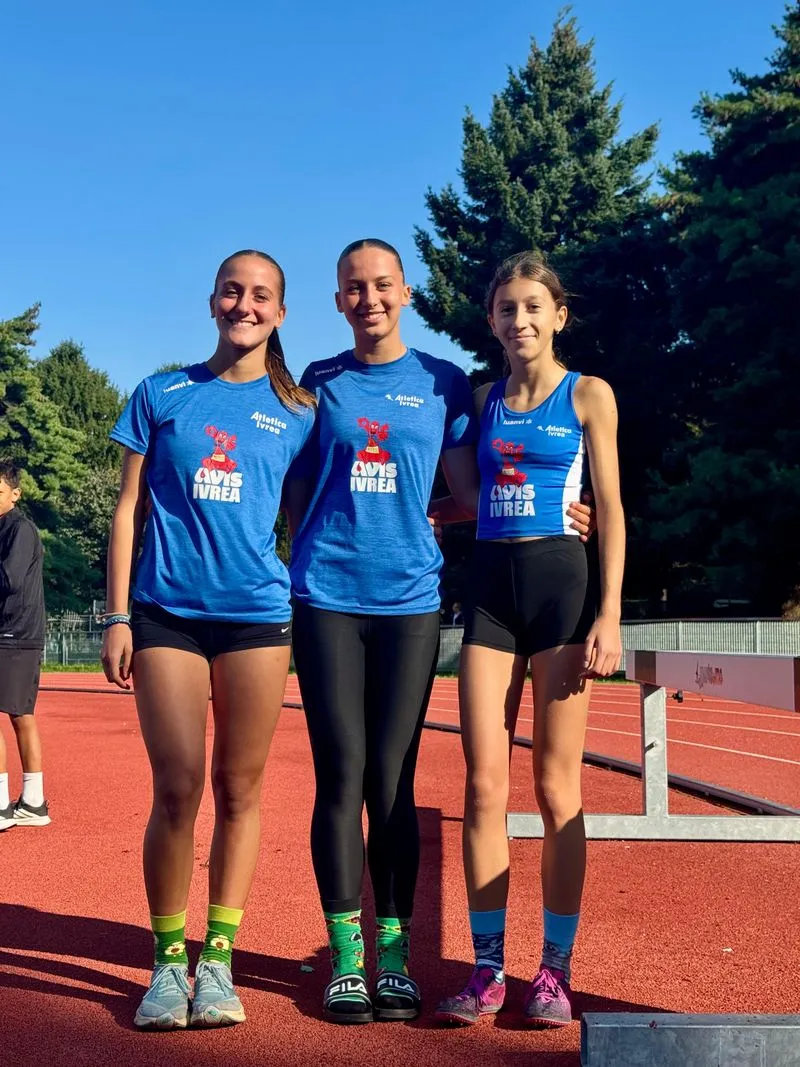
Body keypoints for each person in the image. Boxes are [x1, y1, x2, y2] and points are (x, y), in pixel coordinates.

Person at [284, 239, 594, 1025]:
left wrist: (554, 510)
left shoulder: (445, 383)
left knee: (394, 778)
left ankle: (395, 955)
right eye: (354, 287)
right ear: (338, 299)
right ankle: (348, 958)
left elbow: (470, 491)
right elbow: (286, 484)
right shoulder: (318, 382)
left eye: (382, 284)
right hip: (327, 593)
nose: (369, 298)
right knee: (342, 774)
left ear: (406, 292)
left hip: (412, 599)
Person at [101, 250, 315, 1030]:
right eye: (233, 290)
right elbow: (127, 508)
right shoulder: (161, 393)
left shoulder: (300, 412)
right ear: (212, 300)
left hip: (257, 616)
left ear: (280, 313)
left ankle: (217, 960)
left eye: (261, 295)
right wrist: (117, 615)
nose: (244, 304)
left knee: (239, 789)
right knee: (177, 785)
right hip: (167, 614)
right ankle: (167, 964)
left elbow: (315, 514)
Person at [432, 251, 624, 1028]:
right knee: (483, 784)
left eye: (534, 306)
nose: (521, 320)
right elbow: (470, 497)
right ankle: (487, 968)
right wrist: (434, 511)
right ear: (492, 320)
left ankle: (554, 970)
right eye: (507, 308)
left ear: (558, 315)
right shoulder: (480, 400)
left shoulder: (589, 394)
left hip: (561, 593)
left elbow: (610, 507)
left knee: (554, 786)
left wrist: (609, 612)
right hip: (490, 592)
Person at [0, 460, 49, 831]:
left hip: (15, 635)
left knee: (19, 715)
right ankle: (33, 802)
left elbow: (10, 579)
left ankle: (2, 807)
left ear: (15, 494)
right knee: (21, 715)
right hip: (13, 634)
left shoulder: (20, 529)